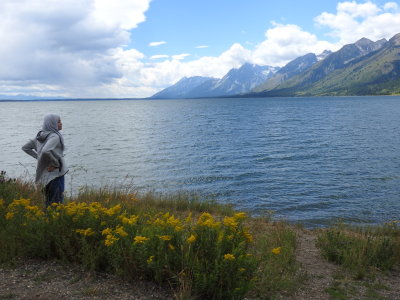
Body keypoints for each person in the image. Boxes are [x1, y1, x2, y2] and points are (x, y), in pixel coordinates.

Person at [22, 114, 68, 207]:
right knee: (57, 204)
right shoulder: (54, 136)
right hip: (55, 175)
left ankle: (48, 220)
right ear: (52, 123)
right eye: (58, 121)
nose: (61, 124)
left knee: (48, 202)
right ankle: (55, 221)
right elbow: (45, 151)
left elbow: (26, 148)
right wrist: (56, 163)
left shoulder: (40, 136)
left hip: (44, 176)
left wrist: (40, 159)